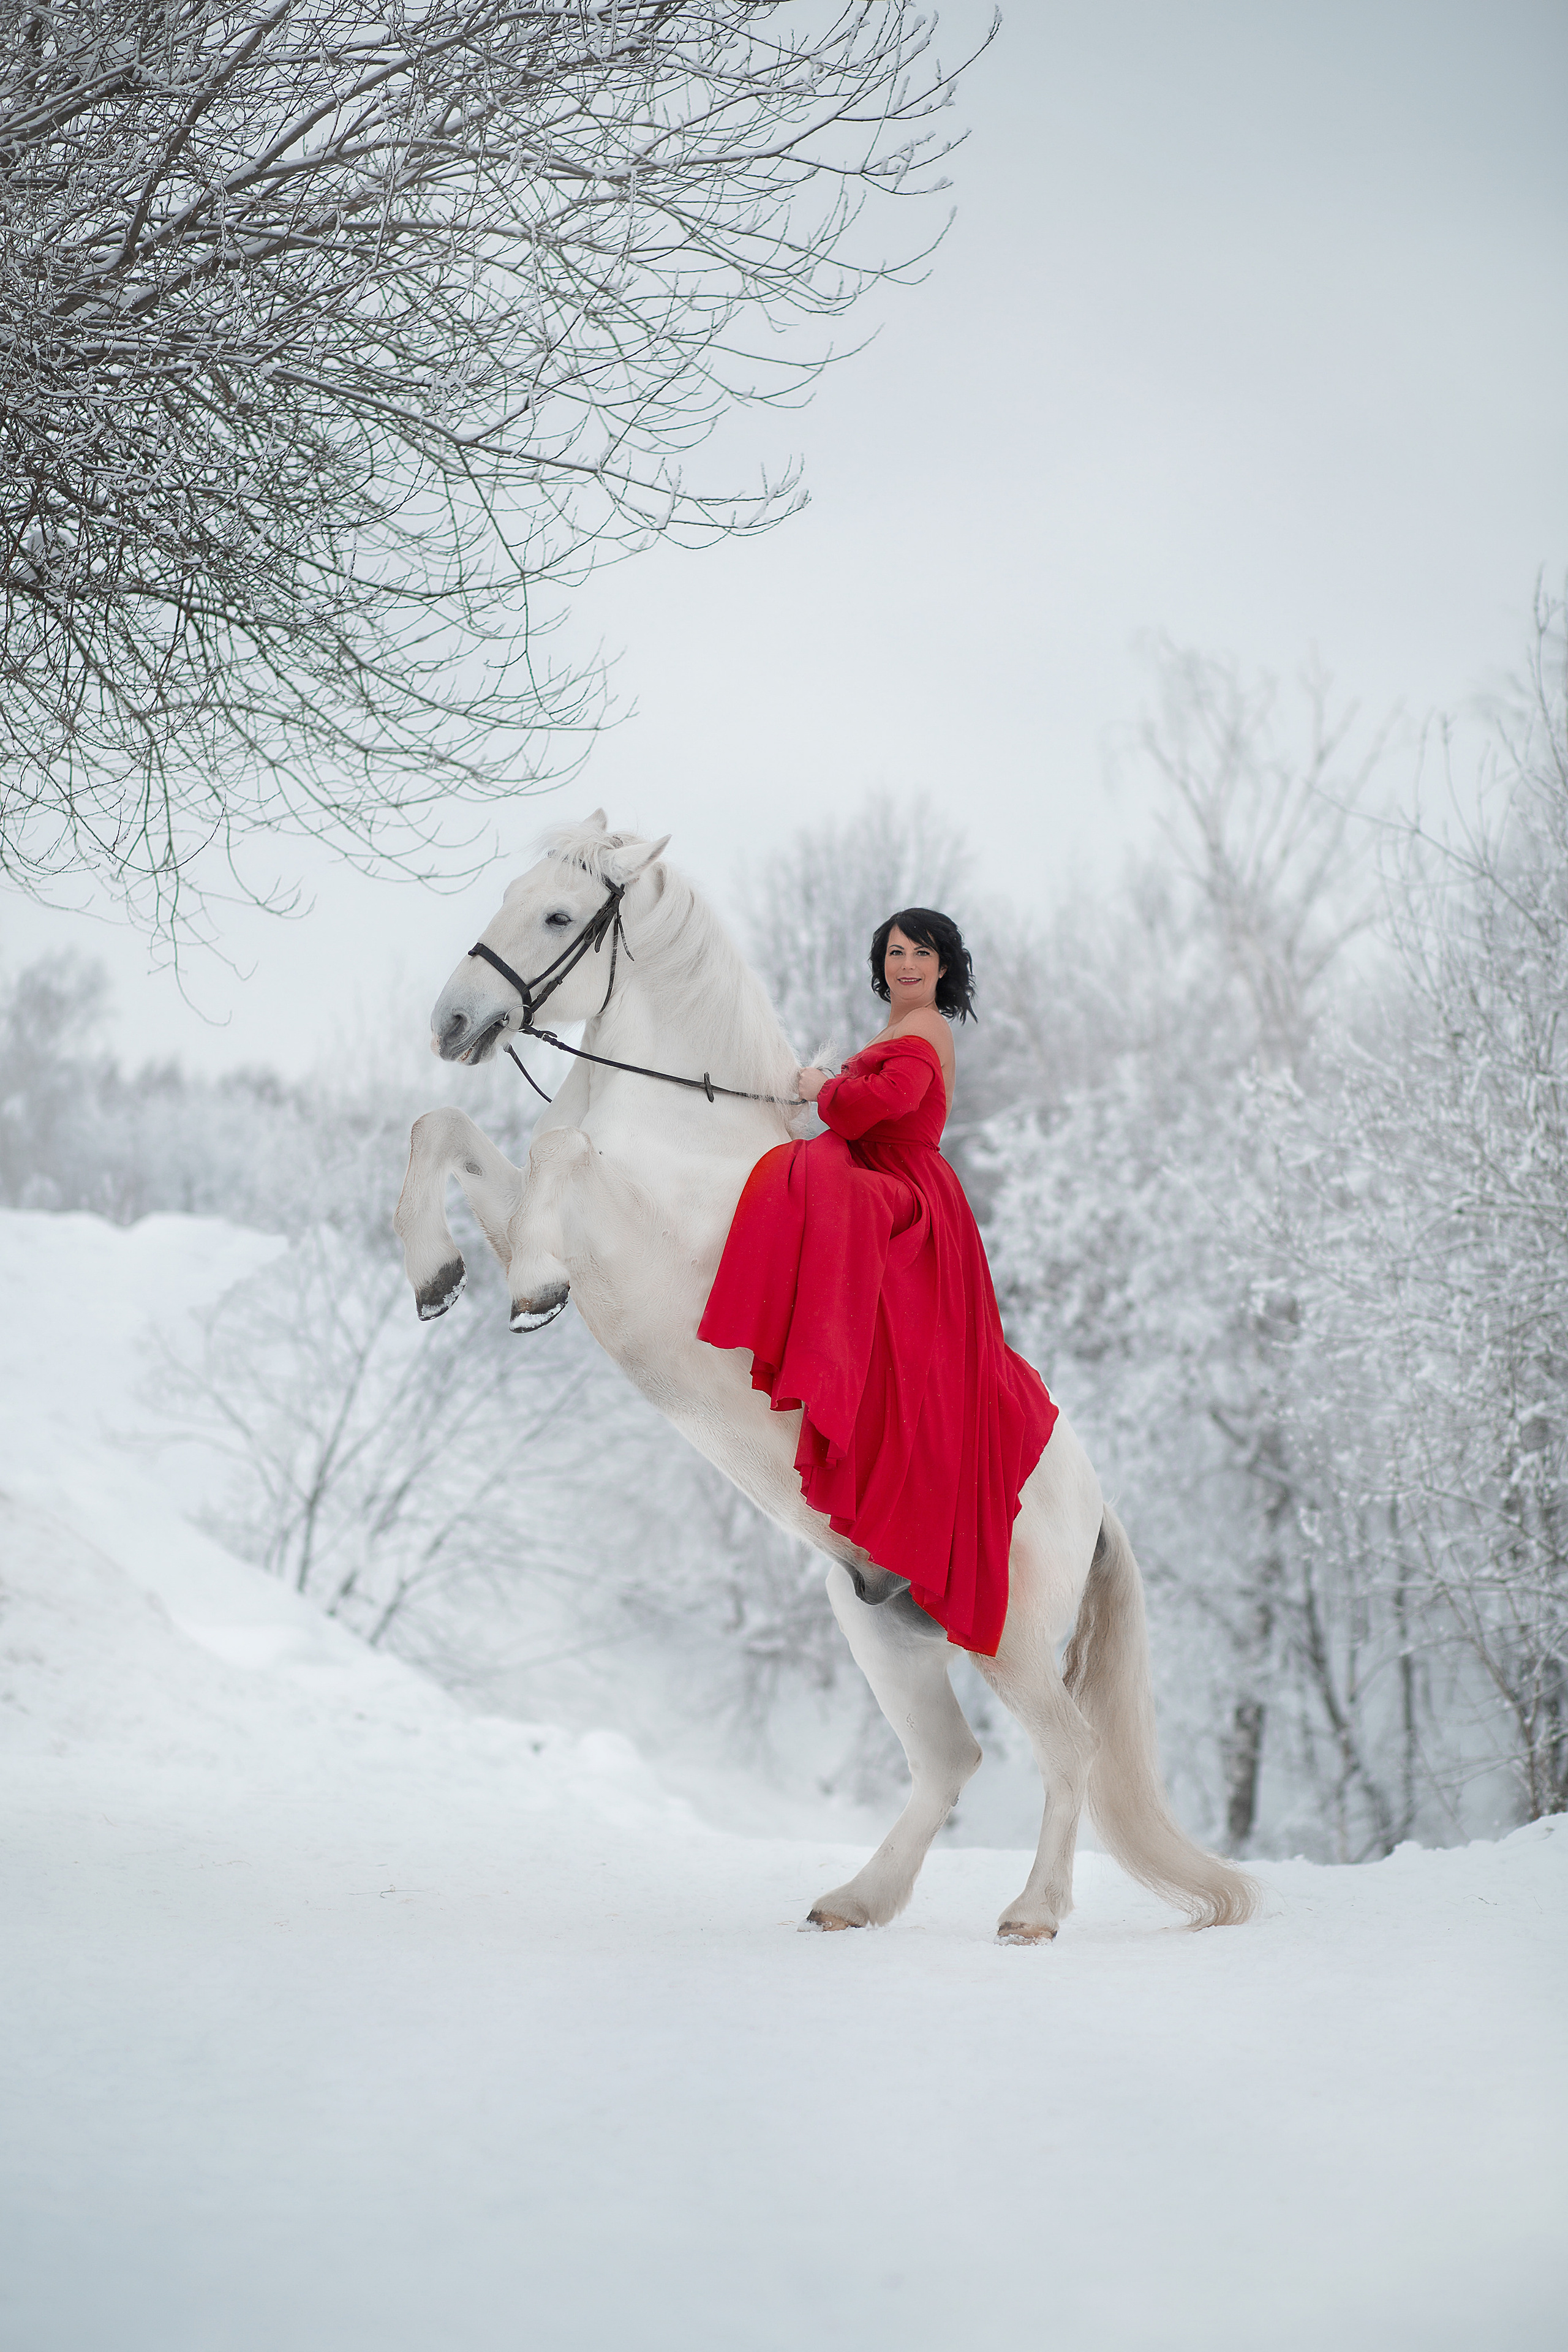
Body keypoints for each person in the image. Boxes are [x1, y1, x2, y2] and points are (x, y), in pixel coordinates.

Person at [698, 910, 1058, 1655]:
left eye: (921, 952)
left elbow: (878, 1106)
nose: (906, 963)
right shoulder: (901, 1028)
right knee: (813, 1176)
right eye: (895, 952)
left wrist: (820, 1087)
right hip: (892, 1172)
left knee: (814, 1179)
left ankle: (811, 1346)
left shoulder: (924, 1028)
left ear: (943, 966)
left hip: (908, 1189)